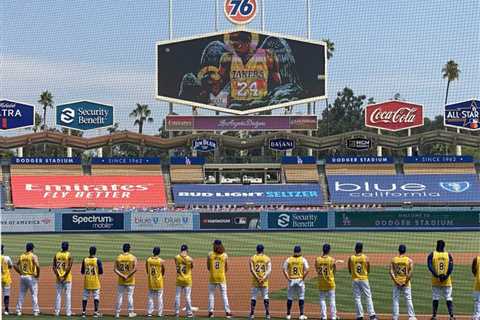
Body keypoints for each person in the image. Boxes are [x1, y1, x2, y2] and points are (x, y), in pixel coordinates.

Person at [218, 31, 281, 110]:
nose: (234, 49)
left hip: (261, 104)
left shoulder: (268, 55)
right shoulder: (227, 58)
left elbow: (277, 83)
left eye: (237, 45)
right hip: (236, 104)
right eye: (232, 46)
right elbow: (218, 83)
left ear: (248, 42)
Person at [348, 242, 377, 320]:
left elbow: (349, 269)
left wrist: (354, 274)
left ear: (355, 248)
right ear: (362, 249)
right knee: (368, 297)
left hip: (355, 279)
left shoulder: (351, 258)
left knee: (357, 297)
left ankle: (359, 316)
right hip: (364, 279)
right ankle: (372, 315)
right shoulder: (365, 257)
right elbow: (368, 268)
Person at [427, 240, 454, 320]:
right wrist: (445, 276)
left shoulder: (432, 254)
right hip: (447, 281)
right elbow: (451, 267)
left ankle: (434, 316)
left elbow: (430, 266)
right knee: (448, 297)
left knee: (435, 297)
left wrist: (436, 275)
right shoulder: (448, 255)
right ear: (444, 246)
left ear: (437, 245)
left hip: (435, 281)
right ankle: (451, 316)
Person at [389, 244, 416, 320]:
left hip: (396, 283)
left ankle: (395, 317)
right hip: (406, 283)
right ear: (405, 251)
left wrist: (396, 281)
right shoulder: (409, 260)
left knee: (395, 299)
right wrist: (405, 282)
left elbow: (391, 272)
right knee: (408, 299)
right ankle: (412, 317)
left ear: (399, 250)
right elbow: (410, 273)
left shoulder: (394, 260)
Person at [283, 245, 309, 320]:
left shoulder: (289, 259)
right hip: (300, 280)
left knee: (290, 297)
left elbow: (284, 269)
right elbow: (307, 270)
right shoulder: (303, 259)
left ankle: (288, 315)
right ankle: (301, 315)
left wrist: (288, 278)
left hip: (291, 280)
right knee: (301, 297)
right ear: (300, 251)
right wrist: (303, 278)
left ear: (294, 251)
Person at [207, 239, 232, 318]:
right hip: (221, 277)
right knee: (224, 295)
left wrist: (213, 272)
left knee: (211, 295)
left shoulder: (210, 254)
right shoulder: (224, 255)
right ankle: (228, 312)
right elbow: (227, 268)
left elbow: (208, 267)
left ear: (215, 245)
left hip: (212, 277)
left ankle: (211, 312)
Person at [14, 242, 40, 316]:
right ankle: (35, 311)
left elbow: (15, 265)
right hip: (31, 277)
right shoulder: (33, 256)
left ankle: (18, 310)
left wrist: (20, 273)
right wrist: (38, 275)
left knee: (21, 294)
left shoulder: (22, 256)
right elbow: (37, 266)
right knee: (34, 294)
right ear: (32, 248)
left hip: (23, 277)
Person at [114, 243, 137, 318]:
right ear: (129, 249)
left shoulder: (119, 257)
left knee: (119, 296)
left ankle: (117, 313)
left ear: (123, 249)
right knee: (130, 296)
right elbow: (135, 269)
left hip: (121, 280)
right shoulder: (133, 257)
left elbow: (115, 269)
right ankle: (130, 312)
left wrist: (122, 275)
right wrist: (127, 276)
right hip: (130, 280)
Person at [249, 244, 272, 319]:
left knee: (253, 297)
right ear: (263, 250)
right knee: (265, 296)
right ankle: (267, 314)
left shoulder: (252, 258)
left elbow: (252, 270)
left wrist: (257, 278)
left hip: (255, 281)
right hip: (264, 281)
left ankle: (252, 314)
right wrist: (263, 278)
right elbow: (269, 270)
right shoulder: (267, 258)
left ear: (257, 250)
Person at [315, 243, 337, 320]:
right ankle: (333, 316)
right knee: (332, 300)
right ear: (329, 250)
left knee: (322, 300)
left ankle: (324, 317)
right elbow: (334, 270)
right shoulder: (332, 259)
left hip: (321, 283)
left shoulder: (317, 259)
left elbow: (316, 269)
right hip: (330, 282)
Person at [81, 246, 103, 318]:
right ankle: (95, 312)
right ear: (95, 252)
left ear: (89, 251)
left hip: (87, 281)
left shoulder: (85, 260)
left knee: (85, 297)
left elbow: (82, 271)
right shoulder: (98, 260)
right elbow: (101, 272)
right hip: (95, 281)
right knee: (96, 296)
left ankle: (83, 312)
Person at [53, 241, 73, 316]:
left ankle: (56, 312)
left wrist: (58, 276)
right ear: (67, 247)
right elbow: (69, 267)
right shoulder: (69, 255)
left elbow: (54, 267)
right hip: (67, 278)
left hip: (58, 278)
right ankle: (68, 312)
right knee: (68, 295)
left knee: (58, 295)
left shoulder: (56, 254)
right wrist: (64, 276)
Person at [174, 244, 194, 317]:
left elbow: (176, 262)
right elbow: (192, 267)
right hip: (187, 280)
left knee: (177, 296)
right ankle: (189, 313)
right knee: (187, 296)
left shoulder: (176, 257)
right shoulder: (190, 259)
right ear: (187, 250)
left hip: (179, 279)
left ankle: (176, 312)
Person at [146, 246, 165, 317]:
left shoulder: (148, 260)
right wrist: (160, 275)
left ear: (153, 252)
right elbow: (163, 270)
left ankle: (149, 312)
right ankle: (160, 313)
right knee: (160, 297)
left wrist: (150, 275)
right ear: (159, 252)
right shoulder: (161, 260)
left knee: (150, 297)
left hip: (151, 281)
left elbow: (147, 270)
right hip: (159, 281)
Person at [1, 244, 13, 315]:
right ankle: (6, 310)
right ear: (2, 250)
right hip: (6, 279)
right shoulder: (7, 258)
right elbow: (11, 266)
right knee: (6, 295)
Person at [473, 255, 480, 320]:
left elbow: (473, 270)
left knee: (477, 301)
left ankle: (476, 317)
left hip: (478, 283)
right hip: (478, 284)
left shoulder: (476, 259)